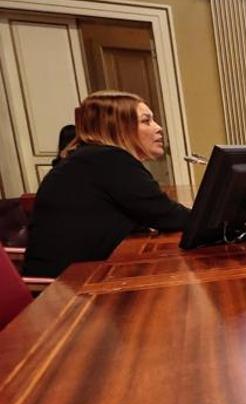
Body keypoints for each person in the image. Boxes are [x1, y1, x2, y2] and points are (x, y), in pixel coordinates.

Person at [23, 91, 190, 278]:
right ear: (117, 127)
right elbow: (167, 215)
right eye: (146, 121)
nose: (158, 128)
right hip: (68, 290)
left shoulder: (91, 157)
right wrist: (222, 222)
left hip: (81, 276)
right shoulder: (108, 159)